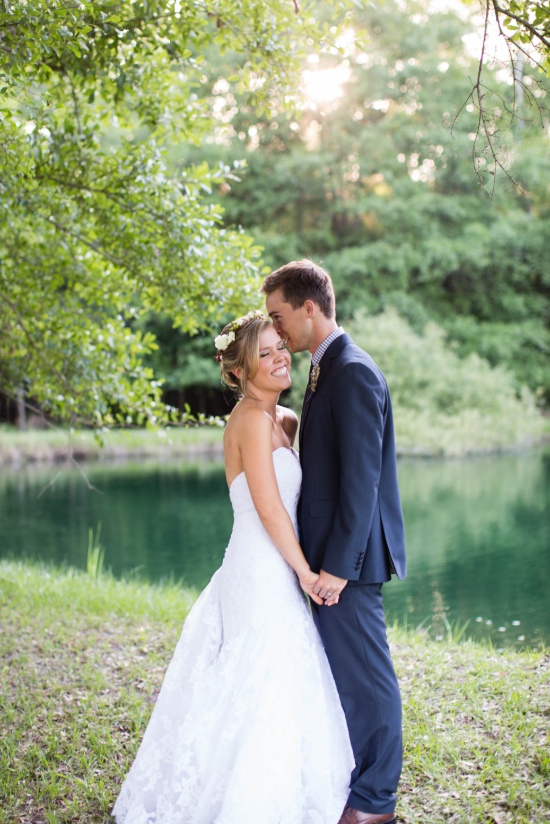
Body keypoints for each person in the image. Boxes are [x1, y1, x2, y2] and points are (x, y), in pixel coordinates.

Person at [112, 310, 354, 824]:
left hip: (278, 564)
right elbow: (268, 510)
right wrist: (307, 574)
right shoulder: (246, 419)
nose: (277, 358)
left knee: (279, 675)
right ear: (239, 372)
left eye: (278, 347)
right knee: (260, 674)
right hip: (260, 567)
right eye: (262, 354)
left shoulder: (284, 420)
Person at [263, 261, 407, 824]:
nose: (276, 332)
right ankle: (357, 783)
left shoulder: (353, 371)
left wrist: (339, 568)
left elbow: (361, 482)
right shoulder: (324, 369)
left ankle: (375, 802)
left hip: (349, 562)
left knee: (369, 678)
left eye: (279, 316)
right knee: (346, 676)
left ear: (308, 308)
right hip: (327, 558)